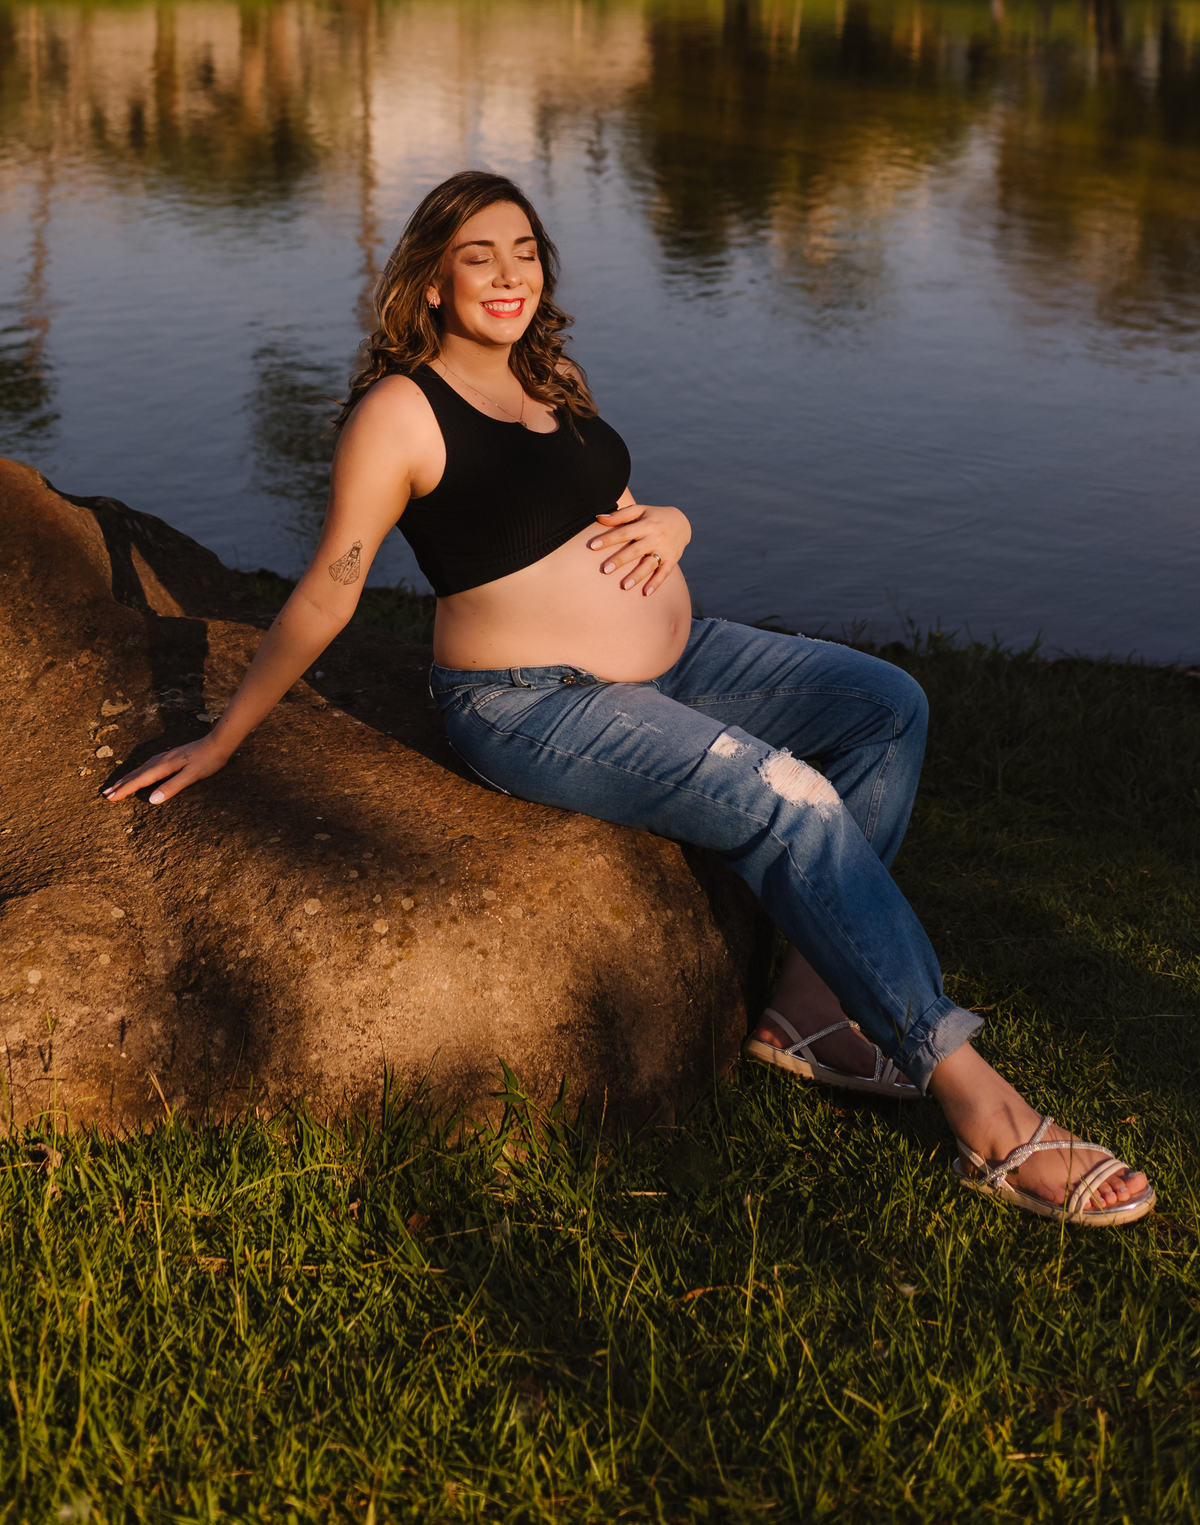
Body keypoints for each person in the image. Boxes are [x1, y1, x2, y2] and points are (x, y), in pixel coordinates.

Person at [104, 169, 1154, 1228]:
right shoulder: (401, 412)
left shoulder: (551, 376)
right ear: (430, 281)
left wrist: (678, 524)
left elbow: (617, 510)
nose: (509, 276)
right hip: (530, 701)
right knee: (788, 796)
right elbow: (334, 585)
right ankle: (982, 1106)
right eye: (479, 256)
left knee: (886, 706)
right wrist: (224, 735)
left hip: (673, 661)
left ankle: (806, 1013)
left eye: (525, 252)